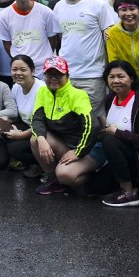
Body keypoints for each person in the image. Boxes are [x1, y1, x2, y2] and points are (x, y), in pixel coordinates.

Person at [54, 60, 139, 206]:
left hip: (136, 159)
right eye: (111, 77)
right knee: (83, 186)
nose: (116, 81)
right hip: (111, 158)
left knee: (111, 140)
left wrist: (117, 133)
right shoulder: (111, 98)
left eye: (121, 76)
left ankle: (129, 191)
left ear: (132, 78)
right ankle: (112, 180)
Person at [52, 0, 117, 115]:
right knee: (69, 120)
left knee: (90, 120)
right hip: (66, 76)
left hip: (92, 76)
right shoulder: (58, 7)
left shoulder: (97, 5)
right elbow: (61, 39)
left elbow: (108, 37)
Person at [30, 56, 96, 196]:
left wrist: (78, 152)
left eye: (58, 74)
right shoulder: (42, 91)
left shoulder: (78, 95)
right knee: (35, 139)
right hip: (63, 145)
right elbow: (36, 119)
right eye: (49, 74)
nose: (53, 77)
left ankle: (93, 178)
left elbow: (92, 125)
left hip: (84, 148)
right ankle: (55, 181)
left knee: (65, 174)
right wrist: (42, 140)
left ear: (67, 75)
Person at [0, 0, 61, 65]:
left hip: (43, 68)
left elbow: (53, 39)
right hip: (20, 69)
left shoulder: (46, 12)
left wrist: (44, 57)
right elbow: (6, 43)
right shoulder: (4, 15)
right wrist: (18, 60)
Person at [2, 55, 43, 176]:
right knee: (3, 127)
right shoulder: (16, 87)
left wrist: (20, 135)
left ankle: (40, 164)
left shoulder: (41, 89)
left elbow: (42, 124)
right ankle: (26, 161)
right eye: (14, 69)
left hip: (42, 132)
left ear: (33, 71)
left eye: (23, 70)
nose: (18, 73)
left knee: (14, 149)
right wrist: (6, 120)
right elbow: (14, 112)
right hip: (26, 125)